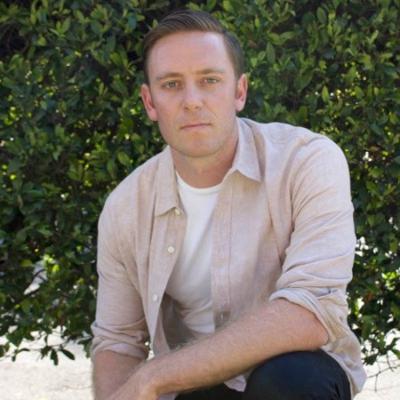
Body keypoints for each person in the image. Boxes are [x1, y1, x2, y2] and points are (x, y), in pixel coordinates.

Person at [90, 9, 366, 400]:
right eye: (171, 84)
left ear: (239, 91)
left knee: (290, 379)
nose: (192, 101)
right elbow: (118, 340)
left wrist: (153, 376)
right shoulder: (126, 207)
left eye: (209, 80)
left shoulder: (306, 161)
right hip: (194, 387)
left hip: (294, 374)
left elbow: (311, 312)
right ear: (150, 102)